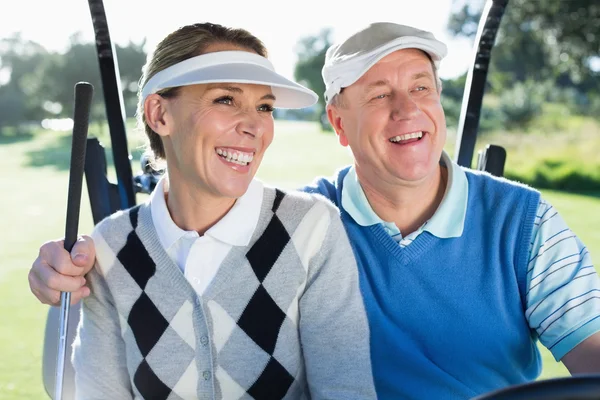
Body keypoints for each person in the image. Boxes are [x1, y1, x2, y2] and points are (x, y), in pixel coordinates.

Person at [29, 22, 600, 399]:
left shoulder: (522, 222)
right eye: (379, 95)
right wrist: (65, 276)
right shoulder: (302, 222)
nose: (408, 111)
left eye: (422, 88)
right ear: (339, 123)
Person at [31, 22, 376, 399]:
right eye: (225, 99)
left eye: (264, 106)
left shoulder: (311, 229)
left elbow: (345, 390)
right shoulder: (108, 249)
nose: (254, 126)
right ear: (160, 114)